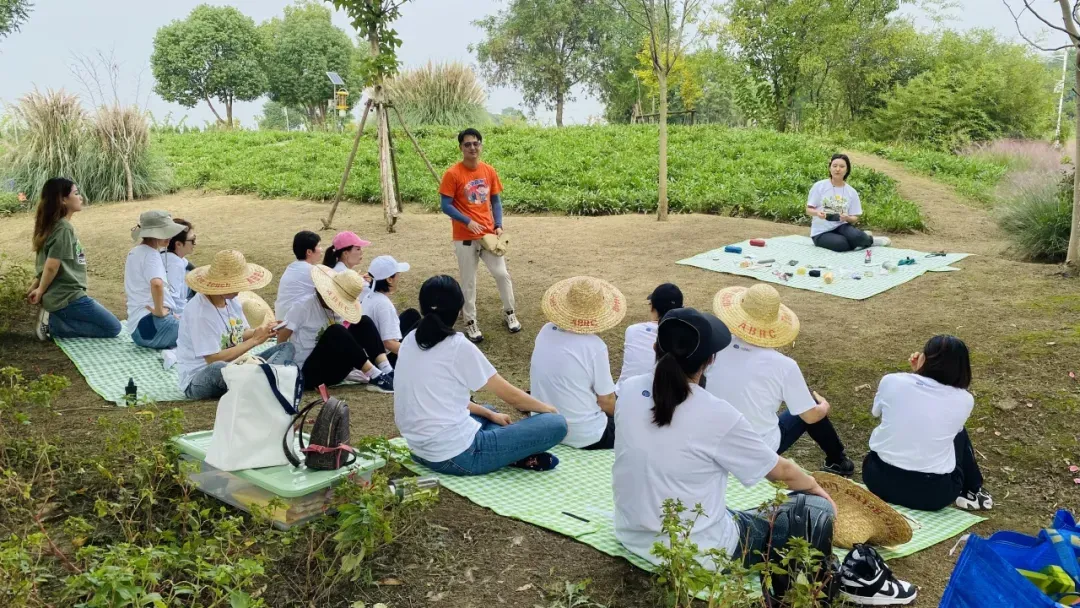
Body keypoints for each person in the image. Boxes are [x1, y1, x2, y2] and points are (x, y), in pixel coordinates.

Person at [613, 307, 837, 572]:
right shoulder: (717, 414)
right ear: (710, 360)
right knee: (814, 508)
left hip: (631, 534)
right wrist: (818, 491)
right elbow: (782, 472)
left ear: (655, 346)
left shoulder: (627, 390)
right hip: (701, 551)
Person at [394, 275, 567, 475]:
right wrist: (548, 409)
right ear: (460, 309)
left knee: (488, 410)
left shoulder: (409, 340)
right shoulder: (457, 346)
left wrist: (490, 414)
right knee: (556, 424)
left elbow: (436, 398)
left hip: (419, 449)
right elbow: (512, 397)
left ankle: (515, 453)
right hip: (458, 455)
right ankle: (516, 454)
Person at [706, 284, 855, 477]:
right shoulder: (784, 365)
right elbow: (810, 416)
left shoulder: (714, 348)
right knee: (811, 407)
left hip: (714, 441)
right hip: (758, 450)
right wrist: (824, 407)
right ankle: (838, 461)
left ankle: (838, 460)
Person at [862, 335, 993, 512]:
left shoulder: (891, 380)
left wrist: (917, 374)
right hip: (932, 494)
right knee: (957, 431)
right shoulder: (964, 399)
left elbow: (876, 412)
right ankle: (972, 490)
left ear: (925, 358)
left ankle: (973, 490)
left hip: (877, 480)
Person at [176, 250, 295, 400]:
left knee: (287, 347)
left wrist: (261, 331)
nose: (239, 290)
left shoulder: (231, 301)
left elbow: (239, 333)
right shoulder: (199, 312)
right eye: (235, 285)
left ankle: (259, 379)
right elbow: (212, 359)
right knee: (218, 369)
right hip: (201, 377)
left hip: (237, 366)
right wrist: (254, 341)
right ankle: (264, 379)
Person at [439, 128, 520, 343]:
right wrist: (467, 221)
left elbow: (495, 201)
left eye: (476, 143)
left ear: (481, 145)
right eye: (467, 144)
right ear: (461, 148)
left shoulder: (489, 171)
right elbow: (445, 205)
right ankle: (470, 321)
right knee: (468, 281)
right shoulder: (452, 174)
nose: (472, 148)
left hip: (488, 234)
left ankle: (510, 312)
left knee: (502, 274)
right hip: (464, 236)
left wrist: (499, 225)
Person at [530, 276, 623, 450]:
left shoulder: (546, 330)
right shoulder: (595, 347)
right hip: (585, 435)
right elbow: (607, 402)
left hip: (544, 426)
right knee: (635, 422)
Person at [26, 178, 121, 340]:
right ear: (63, 200)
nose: (80, 197)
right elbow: (50, 266)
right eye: (76, 193)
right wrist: (40, 291)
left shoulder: (52, 226)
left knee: (106, 324)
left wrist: (35, 287)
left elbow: (45, 265)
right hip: (68, 296)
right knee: (113, 328)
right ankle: (54, 325)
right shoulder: (63, 228)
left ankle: (54, 318)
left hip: (62, 296)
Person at [276, 265, 395, 393]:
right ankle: (375, 376)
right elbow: (282, 336)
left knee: (363, 322)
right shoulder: (303, 307)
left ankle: (387, 370)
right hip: (309, 373)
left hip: (333, 368)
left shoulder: (337, 309)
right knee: (336, 331)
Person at [125, 210, 187, 349]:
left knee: (192, 325)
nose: (170, 236)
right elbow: (157, 284)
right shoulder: (151, 255)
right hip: (152, 326)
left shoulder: (134, 252)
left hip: (140, 328)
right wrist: (159, 311)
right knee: (201, 329)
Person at [807, 154, 890, 252]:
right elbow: (808, 210)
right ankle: (861, 239)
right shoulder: (819, 186)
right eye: (834, 166)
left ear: (847, 170)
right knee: (841, 244)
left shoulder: (851, 192)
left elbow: (854, 218)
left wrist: (847, 218)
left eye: (842, 166)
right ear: (830, 168)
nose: (838, 169)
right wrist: (817, 213)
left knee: (857, 236)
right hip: (821, 232)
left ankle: (868, 240)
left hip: (841, 226)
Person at [616, 283, 682, 391]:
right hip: (668, 399)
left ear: (652, 306)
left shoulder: (633, 330)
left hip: (624, 395)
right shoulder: (687, 336)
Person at [362, 255, 420, 365]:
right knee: (422, 325)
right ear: (389, 279)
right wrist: (414, 354)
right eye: (397, 274)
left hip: (371, 352)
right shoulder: (384, 304)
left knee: (412, 315)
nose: (399, 277)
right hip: (383, 359)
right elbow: (389, 343)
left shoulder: (369, 296)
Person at [275, 230, 322, 320]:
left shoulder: (291, 267)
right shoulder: (312, 271)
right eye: (319, 246)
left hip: (281, 319)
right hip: (295, 323)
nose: (321, 249)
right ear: (309, 252)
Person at [164, 219, 196, 317]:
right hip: (176, 312)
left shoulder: (165, 254)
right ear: (178, 244)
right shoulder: (175, 263)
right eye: (192, 240)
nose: (195, 243)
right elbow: (174, 299)